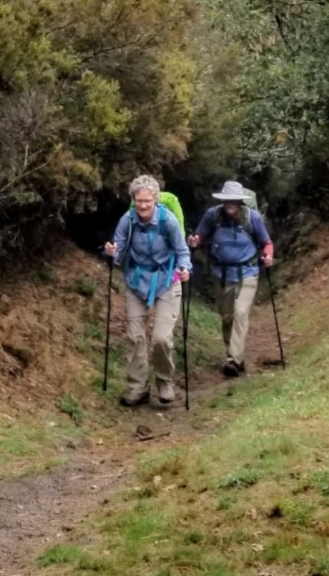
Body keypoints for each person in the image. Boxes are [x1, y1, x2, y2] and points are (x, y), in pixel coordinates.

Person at [102, 174, 191, 407]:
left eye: (147, 201)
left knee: (161, 339)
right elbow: (119, 251)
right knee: (135, 336)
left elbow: (182, 250)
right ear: (134, 200)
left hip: (167, 280)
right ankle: (137, 387)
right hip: (136, 280)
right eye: (139, 201)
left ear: (155, 200)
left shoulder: (168, 221)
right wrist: (112, 252)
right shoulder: (128, 220)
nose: (143, 205)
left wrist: (185, 268)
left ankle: (164, 380)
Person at [190, 180, 274, 378]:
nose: (230, 203)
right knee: (227, 317)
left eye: (234, 200)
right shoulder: (213, 216)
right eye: (227, 200)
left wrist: (268, 256)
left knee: (240, 312)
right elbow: (199, 236)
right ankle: (235, 355)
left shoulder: (252, 218)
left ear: (240, 202)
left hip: (248, 272)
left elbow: (266, 242)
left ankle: (233, 360)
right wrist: (195, 241)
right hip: (222, 275)